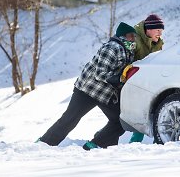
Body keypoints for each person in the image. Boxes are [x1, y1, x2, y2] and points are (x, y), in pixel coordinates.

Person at [38, 22, 136, 150]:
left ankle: (96, 144)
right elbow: (100, 73)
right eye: (131, 36)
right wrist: (118, 78)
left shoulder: (127, 50)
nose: (133, 39)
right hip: (87, 90)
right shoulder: (112, 47)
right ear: (123, 36)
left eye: (135, 37)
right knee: (70, 118)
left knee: (120, 121)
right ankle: (44, 144)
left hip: (104, 94)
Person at [129, 14, 165, 143]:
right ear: (149, 29)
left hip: (149, 81)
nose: (160, 33)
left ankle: (159, 141)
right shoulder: (135, 39)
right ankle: (133, 143)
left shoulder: (158, 43)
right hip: (133, 80)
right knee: (136, 112)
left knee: (151, 110)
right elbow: (128, 61)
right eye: (158, 30)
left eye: (161, 31)